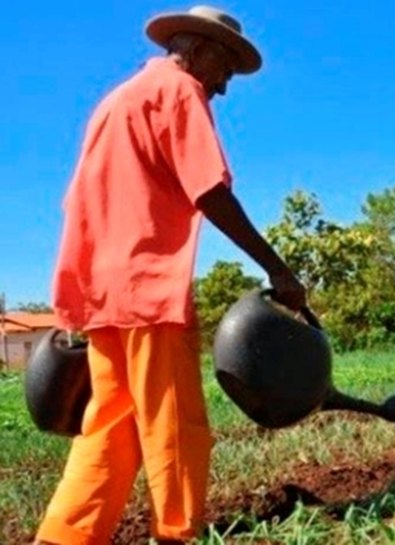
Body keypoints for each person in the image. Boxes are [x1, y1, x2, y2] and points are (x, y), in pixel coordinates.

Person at [34, 6, 306, 545]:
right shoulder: (179, 91)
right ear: (199, 50)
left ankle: (63, 537)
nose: (223, 87)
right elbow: (209, 191)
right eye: (225, 69)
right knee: (174, 426)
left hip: (101, 290)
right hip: (148, 288)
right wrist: (278, 268)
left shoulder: (115, 102)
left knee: (110, 427)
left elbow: (77, 200)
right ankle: (177, 536)